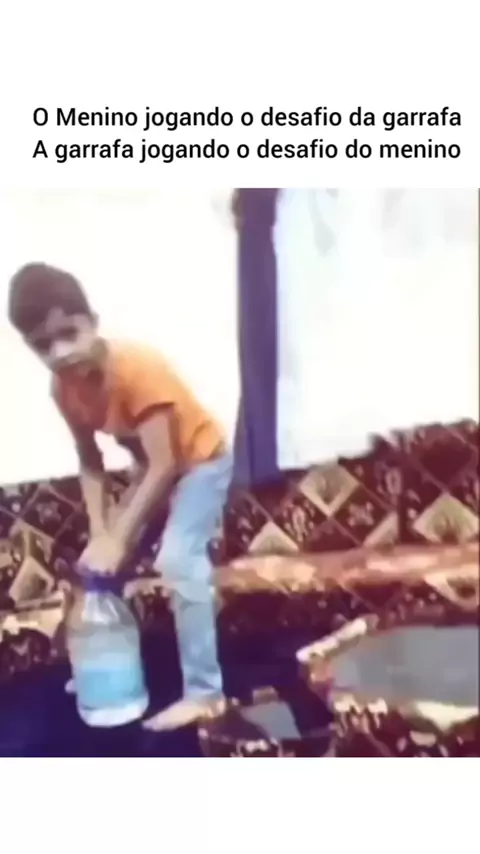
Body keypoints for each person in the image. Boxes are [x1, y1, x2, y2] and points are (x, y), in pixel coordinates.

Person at [7, 263, 231, 731]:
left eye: (69, 333)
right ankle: (100, 662)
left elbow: (166, 463)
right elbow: (90, 461)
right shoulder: (62, 388)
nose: (60, 352)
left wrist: (118, 535)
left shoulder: (136, 368)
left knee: (178, 559)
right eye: (43, 345)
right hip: (152, 468)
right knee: (96, 563)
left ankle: (206, 694)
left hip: (200, 463)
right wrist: (102, 533)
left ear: (93, 321)